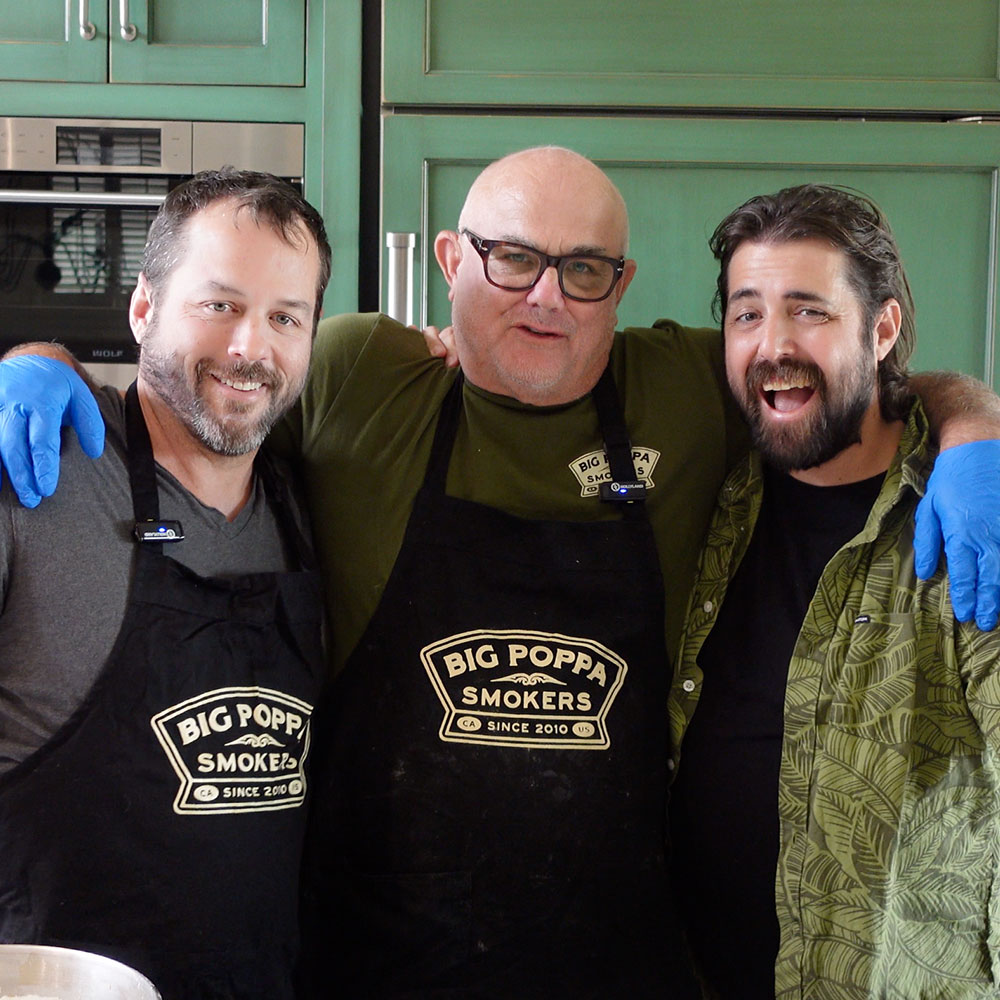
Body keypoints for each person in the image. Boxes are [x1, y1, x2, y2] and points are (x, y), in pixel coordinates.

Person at [2, 148, 1000, 998]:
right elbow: (194, 406)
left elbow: (846, 378)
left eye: (583, 270)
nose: (543, 296)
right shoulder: (358, 375)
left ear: (621, 281)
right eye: (512, 259)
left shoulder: (693, 385)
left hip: (617, 966)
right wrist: (35, 356)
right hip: (369, 965)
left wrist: (972, 427)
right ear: (449, 261)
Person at [0, 168, 331, 1000]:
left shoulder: (309, 502)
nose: (251, 348)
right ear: (144, 307)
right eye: (218, 305)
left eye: (285, 318)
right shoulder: (36, 477)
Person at [669, 184, 1000, 999]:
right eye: (747, 314)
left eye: (809, 311)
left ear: (881, 328)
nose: (773, 344)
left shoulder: (966, 521)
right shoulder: (706, 487)